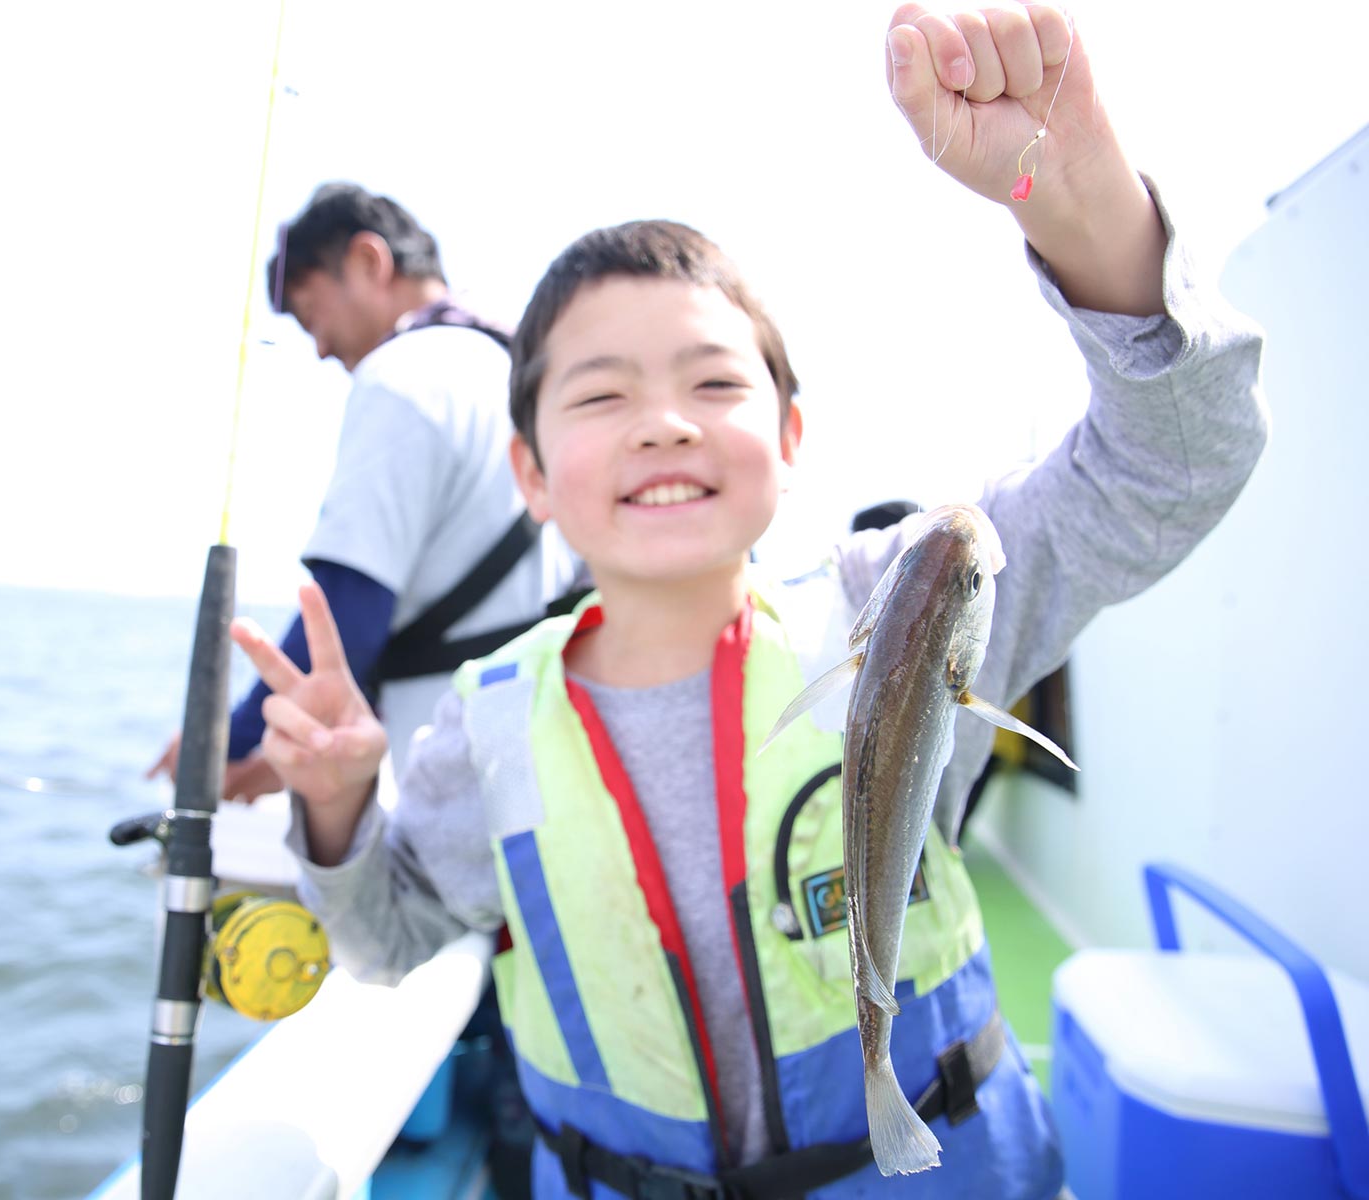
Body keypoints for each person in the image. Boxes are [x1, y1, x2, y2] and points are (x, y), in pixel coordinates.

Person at [229, 7, 1267, 1196]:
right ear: (528, 476)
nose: (664, 420)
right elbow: (385, 937)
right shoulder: (490, 721)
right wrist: (338, 809)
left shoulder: (895, 595)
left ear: (791, 437)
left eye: (713, 380)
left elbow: (1173, 465)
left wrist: (1085, 206)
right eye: (599, 394)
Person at [148, 182, 581, 800]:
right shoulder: (521, 372)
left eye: (311, 315)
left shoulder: (401, 375)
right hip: (554, 757)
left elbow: (346, 608)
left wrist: (225, 745)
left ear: (368, 262)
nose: (320, 348)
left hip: (456, 779)